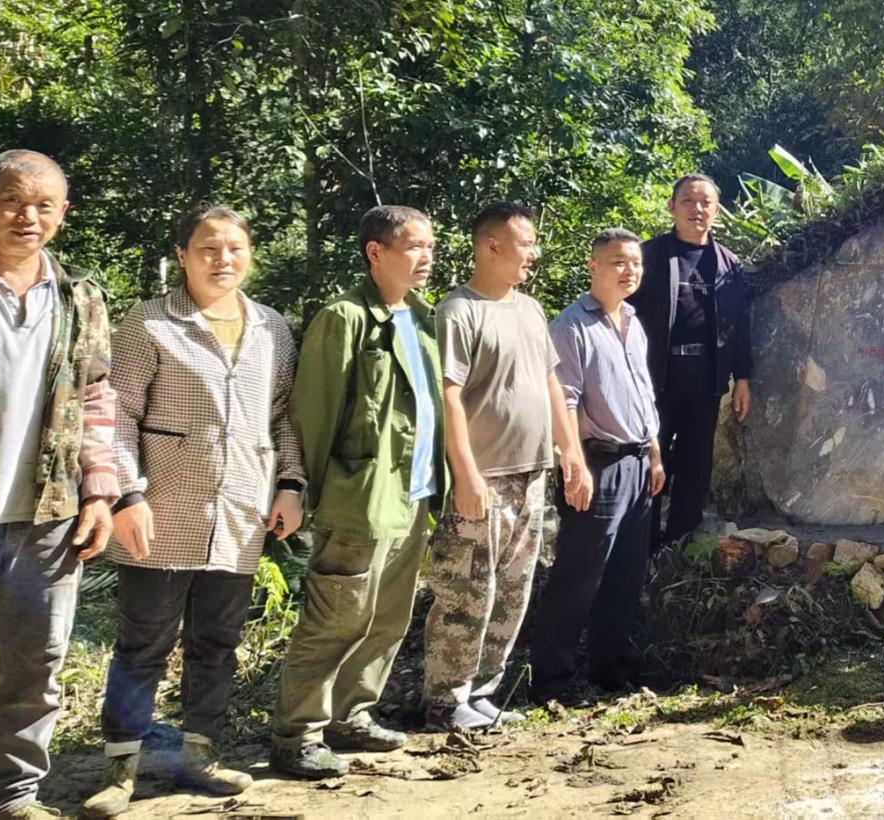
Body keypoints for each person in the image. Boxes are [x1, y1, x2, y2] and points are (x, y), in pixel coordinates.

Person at [84, 207, 304, 816]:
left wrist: (291, 483)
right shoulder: (150, 323)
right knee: (143, 643)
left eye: (235, 248)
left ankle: (201, 756)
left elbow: (283, 416)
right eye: (209, 248)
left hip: (240, 514)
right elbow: (117, 413)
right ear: (183, 255)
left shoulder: (272, 328)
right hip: (161, 513)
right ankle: (120, 767)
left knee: (218, 640)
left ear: (250, 254)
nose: (223, 259)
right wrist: (128, 494)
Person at [0, 150, 119, 820]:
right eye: (12, 200)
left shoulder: (79, 296)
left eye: (43, 205)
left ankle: (13, 795)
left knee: (36, 663)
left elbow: (96, 396)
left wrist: (99, 490)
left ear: (63, 214)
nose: (27, 217)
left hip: (49, 510)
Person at [271, 205, 447, 778]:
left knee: (388, 616)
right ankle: (298, 732)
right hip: (359, 495)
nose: (426, 257)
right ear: (376, 252)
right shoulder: (344, 318)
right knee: (336, 617)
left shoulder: (423, 318)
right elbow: (313, 414)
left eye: (429, 246)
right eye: (414, 246)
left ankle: (353, 713)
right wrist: (305, 492)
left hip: (413, 493)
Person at [424, 202, 593, 732]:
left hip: (532, 473)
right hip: (486, 477)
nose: (534, 254)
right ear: (491, 246)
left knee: (514, 589)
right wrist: (465, 473)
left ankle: (482, 691)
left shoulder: (529, 310)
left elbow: (549, 385)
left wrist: (571, 453)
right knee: (466, 590)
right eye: (526, 243)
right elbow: (448, 396)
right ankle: (443, 700)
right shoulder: (458, 311)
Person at [530, 229, 666, 703]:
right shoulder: (570, 326)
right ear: (593, 268)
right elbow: (561, 400)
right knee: (578, 575)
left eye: (635, 263)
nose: (629, 271)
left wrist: (653, 451)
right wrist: (573, 463)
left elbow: (642, 392)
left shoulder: (632, 320)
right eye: (618, 263)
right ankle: (551, 681)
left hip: (637, 464)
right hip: (596, 463)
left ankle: (610, 669)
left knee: (625, 576)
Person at [634, 176, 753, 549]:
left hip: (705, 381)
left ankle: (678, 545)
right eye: (688, 201)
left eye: (705, 203)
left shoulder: (727, 264)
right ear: (672, 206)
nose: (696, 209)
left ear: (716, 211)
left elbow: (739, 325)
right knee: (648, 464)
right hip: (655, 379)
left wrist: (743, 378)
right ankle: (642, 546)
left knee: (695, 467)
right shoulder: (648, 257)